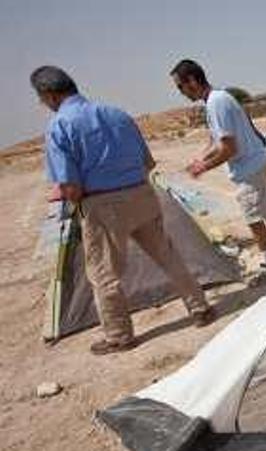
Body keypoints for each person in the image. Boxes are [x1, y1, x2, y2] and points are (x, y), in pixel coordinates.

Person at [31, 66, 215, 355]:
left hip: (102, 205)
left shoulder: (59, 125)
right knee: (167, 255)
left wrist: (81, 205)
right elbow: (148, 163)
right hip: (141, 194)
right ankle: (200, 308)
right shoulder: (117, 114)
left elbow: (69, 186)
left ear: (50, 96)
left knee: (104, 274)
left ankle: (118, 336)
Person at [171, 59, 266, 278]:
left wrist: (203, 167)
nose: (181, 92)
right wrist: (201, 158)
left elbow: (228, 148)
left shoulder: (216, 103)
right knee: (265, 204)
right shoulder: (217, 98)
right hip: (257, 160)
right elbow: (216, 139)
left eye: (181, 86)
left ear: (193, 81)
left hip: (247, 167)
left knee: (253, 216)